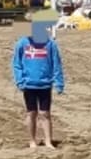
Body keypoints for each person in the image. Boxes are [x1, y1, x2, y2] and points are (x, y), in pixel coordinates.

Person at [12, 20, 65, 150]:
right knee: (31, 113)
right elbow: (17, 64)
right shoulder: (22, 43)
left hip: (45, 84)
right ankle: (32, 141)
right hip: (28, 85)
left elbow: (56, 64)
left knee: (45, 113)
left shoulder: (50, 44)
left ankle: (48, 141)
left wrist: (59, 82)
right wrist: (20, 81)